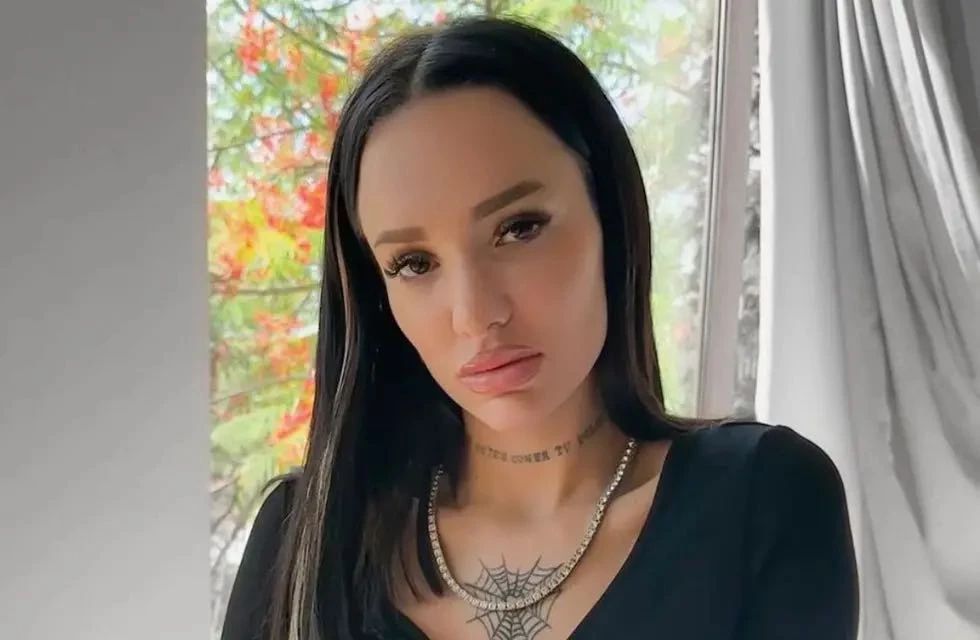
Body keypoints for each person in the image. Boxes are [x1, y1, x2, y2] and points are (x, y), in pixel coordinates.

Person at [221, 16, 859, 640]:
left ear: (609, 214)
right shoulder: (303, 540)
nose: (475, 314)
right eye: (413, 263)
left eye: (518, 229)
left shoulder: (760, 500)